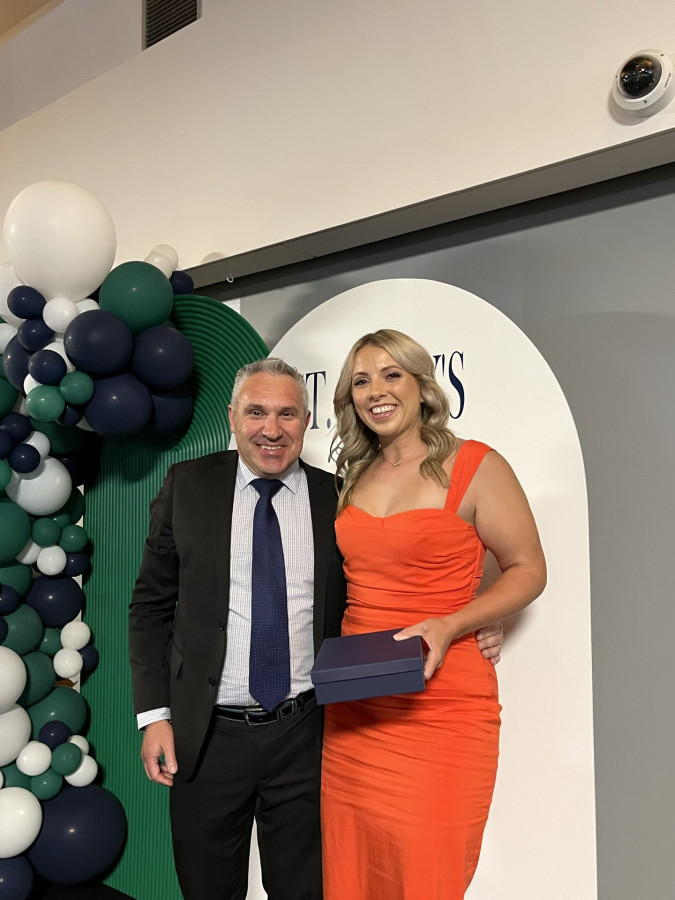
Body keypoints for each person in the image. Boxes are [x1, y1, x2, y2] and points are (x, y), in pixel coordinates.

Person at [129, 356, 504, 900]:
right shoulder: (188, 485)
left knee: (306, 890)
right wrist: (155, 716)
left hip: (307, 735)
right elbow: (150, 607)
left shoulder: (343, 498)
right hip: (206, 736)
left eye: (287, 414)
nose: (272, 429)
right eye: (256, 412)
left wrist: (475, 617)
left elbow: (387, 584)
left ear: (307, 421)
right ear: (232, 416)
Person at [321, 329, 547, 899]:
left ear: (422, 385)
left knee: (427, 877)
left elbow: (528, 569)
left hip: (442, 706)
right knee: (352, 875)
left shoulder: (476, 465)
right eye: (361, 381)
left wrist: (456, 623)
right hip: (355, 710)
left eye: (391, 374)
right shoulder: (353, 476)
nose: (376, 390)